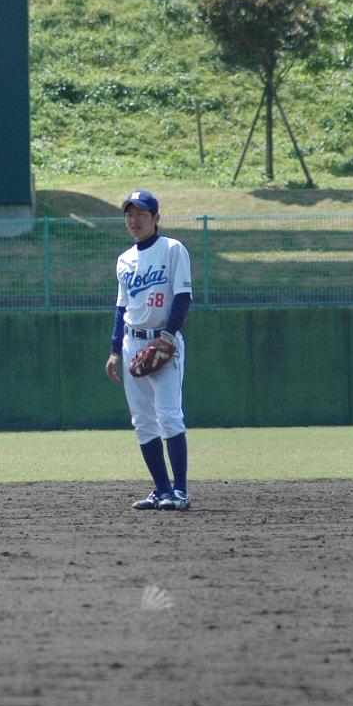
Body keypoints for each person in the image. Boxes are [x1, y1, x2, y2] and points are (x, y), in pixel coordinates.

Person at [105, 190, 194, 511]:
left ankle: (180, 492)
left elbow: (183, 297)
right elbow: (122, 308)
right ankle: (161, 489)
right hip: (132, 342)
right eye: (129, 214)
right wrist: (115, 350)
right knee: (143, 421)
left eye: (141, 214)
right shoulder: (124, 260)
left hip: (164, 342)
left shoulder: (172, 249)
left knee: (169, 416)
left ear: (155, 218)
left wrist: (169, 335)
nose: (134, 220)